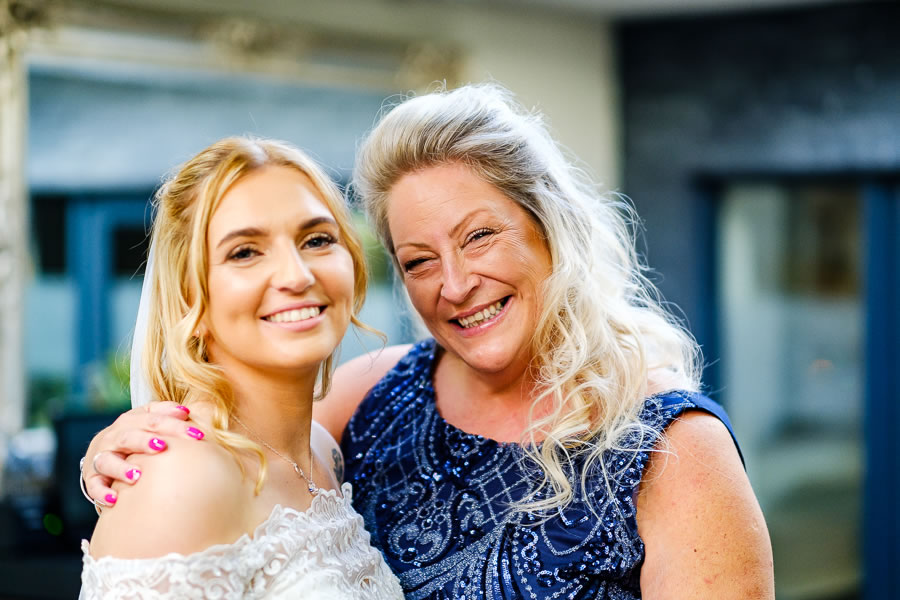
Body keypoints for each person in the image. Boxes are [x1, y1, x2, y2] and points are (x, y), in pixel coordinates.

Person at [82, 84, 775, 599]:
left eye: (480, 236)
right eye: (418, 261)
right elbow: (221, 476)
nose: (457, 283)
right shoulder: (370, 401)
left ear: (551, 228)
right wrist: (122, 454)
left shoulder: (673, 448)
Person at [78, 137, 404, 599]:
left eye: (317, 240)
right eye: (245, 252)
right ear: (189, 298)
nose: (297, 276)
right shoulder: (180, 477)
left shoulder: (322, 451)